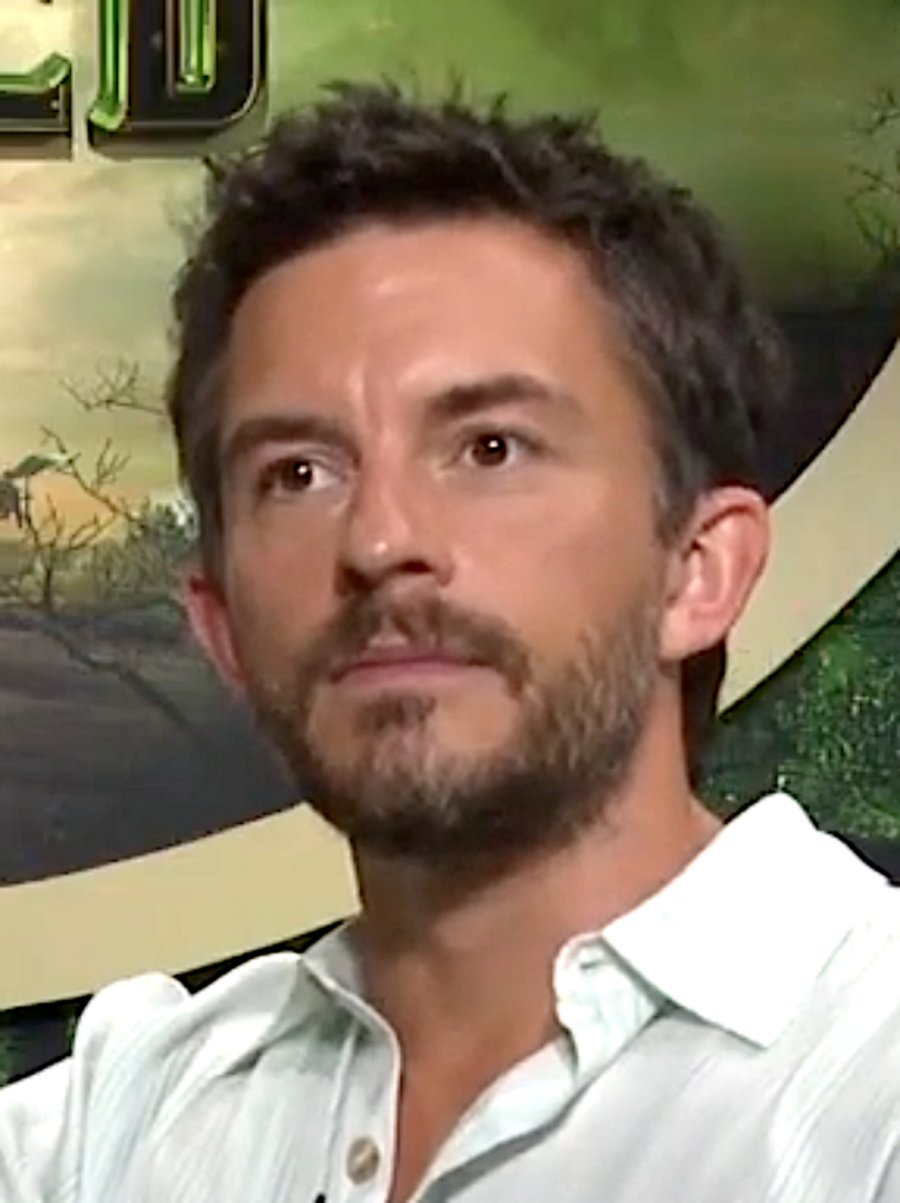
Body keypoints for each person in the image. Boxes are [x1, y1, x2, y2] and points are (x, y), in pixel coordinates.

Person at [2, 79, 900, 1203]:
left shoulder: (868, 1070)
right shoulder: (121, 1124)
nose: (380, 541)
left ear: (698, 569)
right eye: (298, 473)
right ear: (220, 627)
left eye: (489, 449)